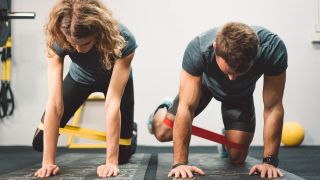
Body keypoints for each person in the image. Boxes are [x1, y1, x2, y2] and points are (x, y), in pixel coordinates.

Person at [147, 22, 287, 178]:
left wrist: (269, 162)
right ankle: (163, 108)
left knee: (238, 157)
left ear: (256, 53)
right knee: (162, 133)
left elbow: (273, 107)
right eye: (228, 71)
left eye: (239, 72)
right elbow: (186, 107)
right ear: (215, 47)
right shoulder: (199, 49)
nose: (232, 78)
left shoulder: (272, 48)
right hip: (203, 87)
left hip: (240, 95)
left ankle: (226, 139)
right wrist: (180, 163)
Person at [32, 0, 137, 178]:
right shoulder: (58, 37)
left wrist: (111, 162)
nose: (79, 51)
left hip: (114, 80)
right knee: (40, 143)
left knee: (123, 155)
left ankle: (131, 131)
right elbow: (55, 104)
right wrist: (48, 162)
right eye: (72, 45)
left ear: (98, 32)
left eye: (86, 44)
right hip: (80, 78)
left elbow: (112, 103)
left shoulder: (124, 39)